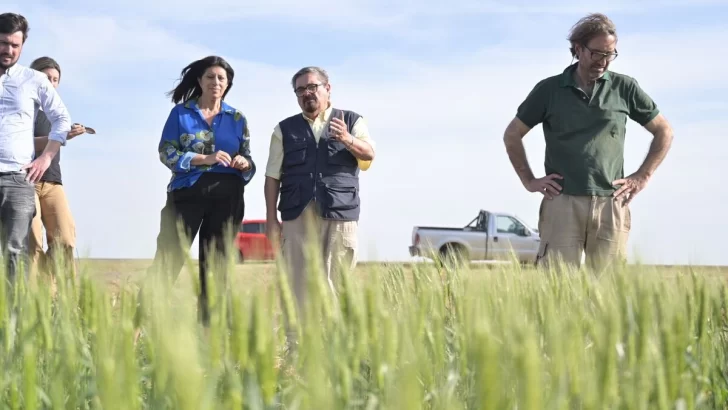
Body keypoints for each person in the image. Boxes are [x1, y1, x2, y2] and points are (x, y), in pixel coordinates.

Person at [503, 13, 673, 272]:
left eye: (610, 54)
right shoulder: (548, 90)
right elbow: (512, 134)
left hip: (611, 203)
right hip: (562, 202)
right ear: (578, 49)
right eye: (597, 54)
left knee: (607, 295)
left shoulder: (625, 88)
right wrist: (529, 180)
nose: (604, 62)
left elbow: (664, 130)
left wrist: (642, 175)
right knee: (556, 289)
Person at [264, 66, 376, 338]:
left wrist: (347, 139)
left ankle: (337, 348)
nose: (307, 94)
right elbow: (271, 177)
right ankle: (297, 351)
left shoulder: (352, 120)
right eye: (300, 90)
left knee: (338, 282)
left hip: (340, 213)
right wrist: (270, 220)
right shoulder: (283, 129)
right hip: (297, 214)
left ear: (328, 88)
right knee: (297, 285)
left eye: (312, 87)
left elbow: (369, 156)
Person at [149, 55, 255, 325]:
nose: (216, 82)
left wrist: (244, 163)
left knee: (216, 268)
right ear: (200, 80)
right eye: (210, 77)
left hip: (228, 195)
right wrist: (202, 159)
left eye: (221, 78)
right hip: (187, 192)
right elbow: (166, 151)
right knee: (169, 258)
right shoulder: (181, 113)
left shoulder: (237, 118)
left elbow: (247, 157)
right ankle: (138, 326)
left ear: (228, 83)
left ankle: (210, 338)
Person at [0, 13, 72, 285]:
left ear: (22, 46)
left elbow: (62, 119)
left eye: (14, 45)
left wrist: (46, 157)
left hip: (18, 179)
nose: (8, 50)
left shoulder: (33, 80)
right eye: (3, 43)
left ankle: (12, 325)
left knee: (15, 254)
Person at [29, 56, 87, 283]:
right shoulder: (22, 106)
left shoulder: (57, 112)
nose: (51, 83)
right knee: (32, 243)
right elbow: (19, 143)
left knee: (66, 239)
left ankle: (58, 298)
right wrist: (59, 137)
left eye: (55, 80)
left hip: (53, 181)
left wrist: (68, 132)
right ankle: (34, 302)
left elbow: (57, 137)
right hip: (25, 180)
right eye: (46, 78)